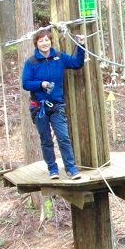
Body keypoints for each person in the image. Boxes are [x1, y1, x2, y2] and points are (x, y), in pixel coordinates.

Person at [21, 26, 86, 180]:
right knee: (46, 140)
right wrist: (41, 84)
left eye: (47, 40)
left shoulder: (59, 57)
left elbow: (77, 63)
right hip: (39, 107)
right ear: (36, 43)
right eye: (41, 41)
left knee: (63, 137)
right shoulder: (31, 62)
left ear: (50, 42)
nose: (44, 43)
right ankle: (53, 169)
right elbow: (26, 83)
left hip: (57, 105)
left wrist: (81, 45)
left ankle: (71, 168)